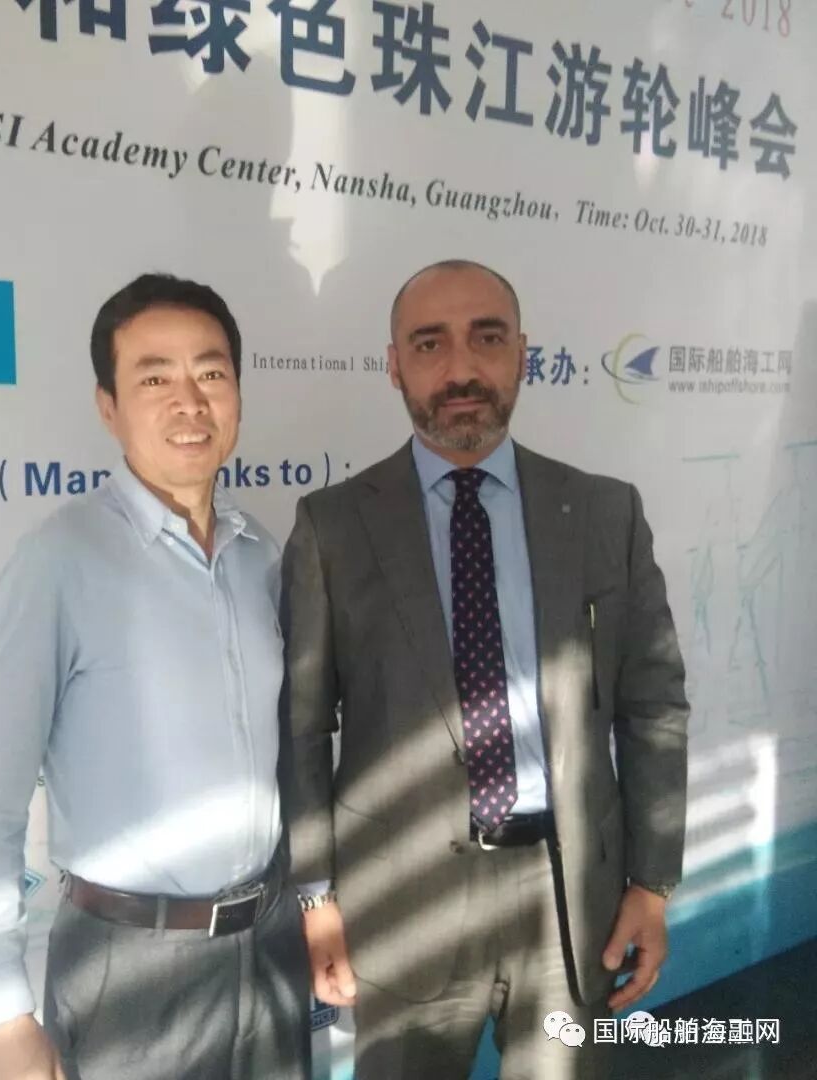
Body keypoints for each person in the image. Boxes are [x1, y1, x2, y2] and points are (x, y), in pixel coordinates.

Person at [279, 259, 689, 1079]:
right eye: (430, 344)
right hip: (405, 902)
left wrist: (651, 882)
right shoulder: (333, 529)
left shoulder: (606, 513)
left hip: (570, 901)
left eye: (487, 339)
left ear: (523, 355)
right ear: (394, 365)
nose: (461, 369)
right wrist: (317, 898)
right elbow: (303, 731)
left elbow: (653, 707)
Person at [0, 273, 311, 1080]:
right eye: (154, 379)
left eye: (210, 374)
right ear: (108, 406)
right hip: (131, 967)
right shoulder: (59, 561)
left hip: (270, 944)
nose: (189, 402)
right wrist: (1, 1012)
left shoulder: (259, 554)